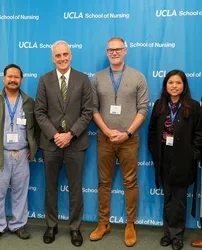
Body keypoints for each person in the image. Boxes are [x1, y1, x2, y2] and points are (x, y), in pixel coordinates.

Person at [90, 37, 148, 247]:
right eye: (110, 50)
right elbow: (93, 109)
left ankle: (130, 224)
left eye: (118, 49)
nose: (114, 53)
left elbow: (143, 109)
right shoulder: (97, 78)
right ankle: (103, 223)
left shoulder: (138, 77)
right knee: (103, 183)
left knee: (130, 182)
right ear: (107, 53)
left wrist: (128, 133)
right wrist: (106, 131)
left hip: (129, 140)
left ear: (125, 50)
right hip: (104, 139)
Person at [35, 40, 93, 247]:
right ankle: (51, 225)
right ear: (53, 58)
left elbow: (88, 112)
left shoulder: (83, 79)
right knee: (50, 187)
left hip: (76, 144)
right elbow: (39, 112)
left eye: (65, 54)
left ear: (71, 55)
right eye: (58, 55)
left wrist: (70, 134)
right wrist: (55, 135)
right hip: (50, 144)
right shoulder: (44, 80)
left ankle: (75, 228)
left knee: (75, 188)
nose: (62, 58)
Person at [0, 64, 39, 243]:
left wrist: (32, 148)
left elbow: (35, 129)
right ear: (3, 78)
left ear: (21, 80)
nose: (13, 80)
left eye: (16, 77)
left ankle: (18, 224)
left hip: (21, 155)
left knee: (20, 193)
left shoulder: (29, 102)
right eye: (9, 76)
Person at [148, 70, 202, 250]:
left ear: (184, 85)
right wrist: (156, 153)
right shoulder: (159, 105)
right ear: (165, 85)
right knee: (168, 197)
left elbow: (199, 133)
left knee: (179, 199)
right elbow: (152, 131)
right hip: (164, 158)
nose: (174, 86)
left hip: (184, 160)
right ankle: (167, 233)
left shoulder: (193, 106)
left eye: (178, 83)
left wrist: (193, 153)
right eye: (170, 82)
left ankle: (177, 235)